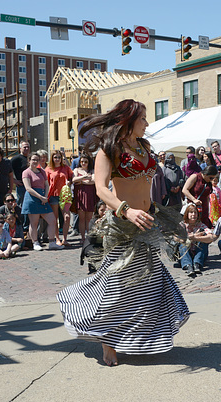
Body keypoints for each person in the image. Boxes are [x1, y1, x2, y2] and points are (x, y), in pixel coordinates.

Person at [57, 99, 190, 367]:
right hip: (121, 224)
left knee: (148, 284)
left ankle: (139, 337)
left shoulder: (144, 146)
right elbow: (101, 189)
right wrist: (126, 210)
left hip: (147, 220)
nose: (147, 124)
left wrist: (150, 210)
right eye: (143, 119)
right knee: (117, 287)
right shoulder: (109, 150)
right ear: (128, 121)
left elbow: (146, 182)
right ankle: (107, 340)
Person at [22, 153, 63, 251]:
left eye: (37, 160)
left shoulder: (42, 171)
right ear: (29, 160)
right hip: (32, 199)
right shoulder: (26, 172)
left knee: (52, 220)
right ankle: (35, 242)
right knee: (34, 223)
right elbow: (28, 188)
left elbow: (47, 185)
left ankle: (52, 242)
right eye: (33, 159)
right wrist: (40, 197)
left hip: (43, 199)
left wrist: (45, 197)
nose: (35, 162)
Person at [178, 203, 216, 277]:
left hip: (199, 253)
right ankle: (188, 265)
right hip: (186, 253)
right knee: (182, 243)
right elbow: (176, 237)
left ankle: (197, 264)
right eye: (191, 212)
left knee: (204, 239)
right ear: (187, 214)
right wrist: (190, 237)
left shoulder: (201, 225)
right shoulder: (182, 225)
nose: (193, 214)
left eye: (195, 212)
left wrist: (196, 238)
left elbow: (211, 238)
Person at [46, 150, 74, 246]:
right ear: (52, 159)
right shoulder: (49, 169)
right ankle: (57, 238)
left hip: (64, 195)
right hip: (53, 195)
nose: (57, 159)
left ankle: (65, 239)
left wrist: (70, 182)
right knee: (55, 218)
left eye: (59, 157)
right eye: (55, 157)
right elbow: (46, 182)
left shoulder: (65, 168)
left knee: (67, 217)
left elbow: (71, 176)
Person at [71, 153, 97, 244]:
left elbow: (93, 181)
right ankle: (82, 238)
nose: (83, 163)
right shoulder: (76, 170)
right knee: (81, 218)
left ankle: (89, 237)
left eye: (85, 161)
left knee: (89, 218)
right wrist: (85, 178)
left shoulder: (92, 170)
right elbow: (74, 180)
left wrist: (81, 181)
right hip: (80, 195)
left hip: (90, 194)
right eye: (82, 161)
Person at [0, 146, 15, 214]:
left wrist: (10, 189)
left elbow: (10, 176)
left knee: (6, 211)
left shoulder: (7, 162)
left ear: (1, 156)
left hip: (4, 190)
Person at [11, 141, 31, 208]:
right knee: (21, 205)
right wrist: (14, 181)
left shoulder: (31, 158)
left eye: (28, 147)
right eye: (24, 147)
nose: (26, 148)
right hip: (21, 186)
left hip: (32, 185)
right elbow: (7, 171)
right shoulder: (16, 159)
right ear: (20, 148)